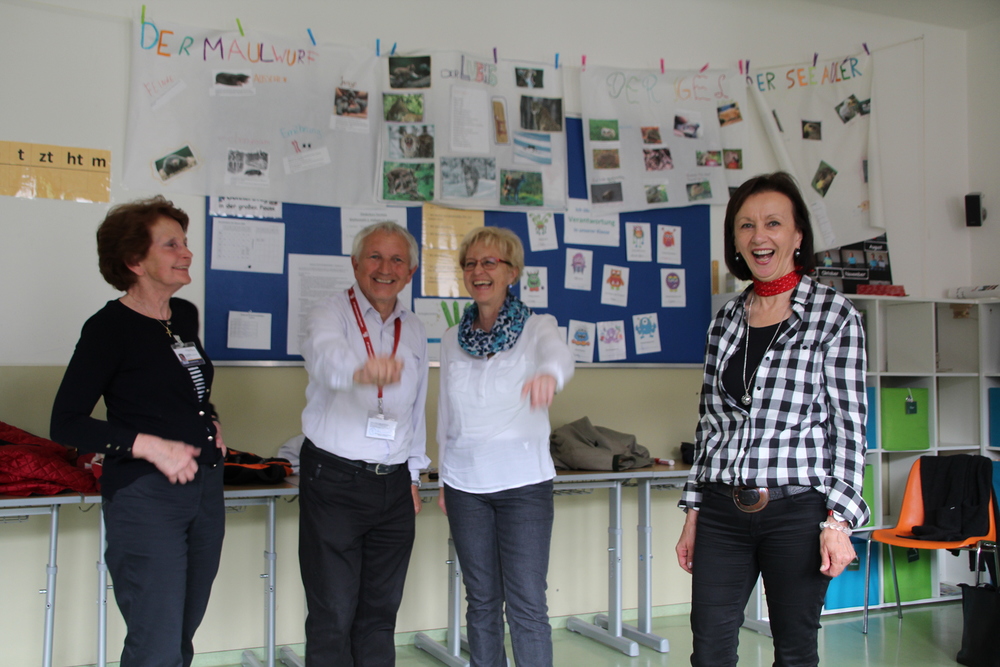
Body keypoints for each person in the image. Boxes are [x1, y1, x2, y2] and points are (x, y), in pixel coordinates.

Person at [674, 172, 869, 667]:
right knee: (709, 650)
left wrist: (839, 521)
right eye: (746, 225)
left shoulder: (834, 316)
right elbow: (709, 424)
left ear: (798, 234)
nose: (759, 236)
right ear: (735, 240)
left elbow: (848, 430)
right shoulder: (725, 321)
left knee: (795, 651)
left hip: (797, 512)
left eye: (773, 223)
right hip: (722, 512)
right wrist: (694, 512)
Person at [50, 196, 225, 667]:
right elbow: (65, 422)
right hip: (146, 496)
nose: (187, 253)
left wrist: (210, 420)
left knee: (181, 636)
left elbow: (187, 389)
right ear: (134, 260)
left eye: (184, 242)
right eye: (171, 245)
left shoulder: (182, 315)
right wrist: (150, 446)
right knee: (156, 643)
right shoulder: (108, 329)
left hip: (204, 488)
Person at [436, 227, 574, 667]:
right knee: (481, 601)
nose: (479, 271)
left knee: (527, 604)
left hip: (523, 486)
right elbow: (446, 415)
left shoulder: (537, 327)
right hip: (465, 487)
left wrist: (549, 375)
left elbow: (559, 355)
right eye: (470, 264)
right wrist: (443, 477)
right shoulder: (451, 338)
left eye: (490, 262)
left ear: (512, 272)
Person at [298, 221, 428, 666]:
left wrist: (413, 474)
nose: (385, 268)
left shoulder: (414, 328)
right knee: (333, 612)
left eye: (396, 260)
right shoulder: (328, 313)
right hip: (335, 479)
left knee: (380, 613)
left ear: (410, 272)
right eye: (375, 256)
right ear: (355, 264)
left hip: (394, 486)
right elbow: (325, 358)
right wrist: (360, 371)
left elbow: (417, 407)